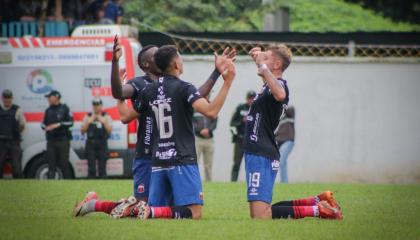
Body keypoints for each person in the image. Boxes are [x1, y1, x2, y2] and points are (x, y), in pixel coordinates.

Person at [72, 41, 236, 218]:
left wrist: (216, 73)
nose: (159, 54)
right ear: (147, 64)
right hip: (153, 155)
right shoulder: (142, 85)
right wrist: (114, 64)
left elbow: (195, 94)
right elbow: (120, 96)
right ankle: (94, 205)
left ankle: (95, 205)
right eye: (155, 53)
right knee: (143, 206)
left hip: (159, 156)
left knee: (150, 208)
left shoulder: (156, 89)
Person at [124, 45, 235, 220]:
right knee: (194, 212)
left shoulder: (148, 90)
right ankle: (150, 211)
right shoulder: (185, 88)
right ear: (176, 64)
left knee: (163, 209)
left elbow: (125, 116)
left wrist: (216, 72)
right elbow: (211, 111)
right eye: (181, 58)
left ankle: (149, 210)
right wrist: (227, 82)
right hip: (182, 159)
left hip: (158, 160)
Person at [244, 45, 342, 220]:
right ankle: (317, 201)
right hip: (259, 151)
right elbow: (269, 83)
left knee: (260, 215)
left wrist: (263, 66)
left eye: (266, 58)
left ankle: (319, 210)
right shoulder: (268, 87)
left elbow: (280, 93)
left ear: (277, 64)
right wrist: (259, 61)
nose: (261, 62)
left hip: (261, 152)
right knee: (263, 211)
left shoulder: (281, 85)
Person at [42, 90, 73, 179]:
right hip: (51, 141)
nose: (48, 99)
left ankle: (68, 185)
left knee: (64, 164)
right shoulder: (48, 110)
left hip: (63, 141)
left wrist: (58, 124)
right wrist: (45, 127)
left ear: (56, 97)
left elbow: (71, 122)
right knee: (51, 164)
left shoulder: (65, 108)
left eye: (49, 97)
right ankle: (51, 185)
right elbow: (43, 124)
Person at [80, 98, 112, 178]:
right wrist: (89, 121)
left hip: (102, 144)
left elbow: (109, 130)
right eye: (94, 105)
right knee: (91, 169)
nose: (96, 107)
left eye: (98, 105)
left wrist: (103, 121)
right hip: (91, 144)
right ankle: (91, 185)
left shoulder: (106, 116)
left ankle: (103, 184)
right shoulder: (87, 116)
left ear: (101, 106)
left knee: (102, 168)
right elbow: (82, 131)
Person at [230, 90, 256, 182]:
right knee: (236, 162)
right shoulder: (240, 108)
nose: (251, 100)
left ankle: (251, 182)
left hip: (251, 142)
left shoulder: (257, 109)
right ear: (247, 99)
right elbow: (232, 124)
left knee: (251, 164)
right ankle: (233, 182)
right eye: (250, 98)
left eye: (253, 98)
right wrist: (242, 121)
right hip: (240, 140)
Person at [0, 90, 25, 178]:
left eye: (9, 99)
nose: (7, 101)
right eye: (6, 99)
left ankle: (18, 189)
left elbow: (22, 125)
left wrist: (15, 133)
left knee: (16, 168)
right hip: (1, 143)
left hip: (14, 142)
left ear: (12, 98)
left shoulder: (17, 109)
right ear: (2, 99)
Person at [193, 104, 217, 181]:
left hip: (209, 139)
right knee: (195, 161)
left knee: (208, 163)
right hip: (198, 139)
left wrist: (208, 130)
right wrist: (199, 130)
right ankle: (195, 180)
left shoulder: (212, 107)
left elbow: (215, 121)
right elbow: (191, 122)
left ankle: (208, 181)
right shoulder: (195, 108)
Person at [274, 105, 295, 183]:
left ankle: (284, 182)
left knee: (282, 160)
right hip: (278, 141)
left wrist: (281, 104)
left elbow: (289, 110)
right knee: (272, 161)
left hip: (288, 140)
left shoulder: (291, 111)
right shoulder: (279, 117)